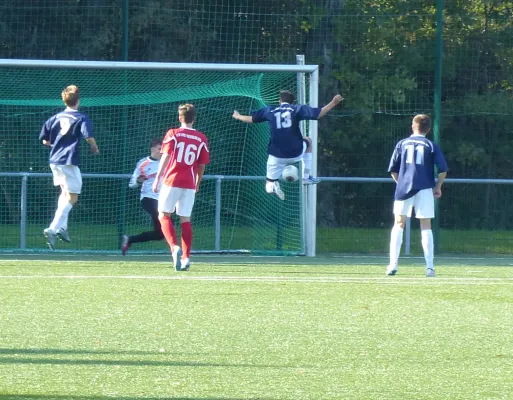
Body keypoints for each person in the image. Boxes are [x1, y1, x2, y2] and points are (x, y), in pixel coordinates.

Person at [232, 90, 343, 200]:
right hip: (296, 152)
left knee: (268, 186)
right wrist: (333, 102)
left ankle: (272, 185)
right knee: (308, 140)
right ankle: (306, 177)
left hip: (276, 155)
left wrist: (238, 116)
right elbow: (318, 114)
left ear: (280, 101)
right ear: (292, 102)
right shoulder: (296, 109)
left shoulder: (270, 110)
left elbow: (251, 119)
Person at [386, 114, 448, 277]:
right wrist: (438, 186)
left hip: (404, 188)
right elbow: (443, 169)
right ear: (428, 129)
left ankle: (393, 265)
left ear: (413, 126)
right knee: (425, 225)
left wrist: (401, 183)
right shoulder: (430, 145)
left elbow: (393, 169)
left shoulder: (402, 143)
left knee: (399, 223)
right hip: (425, 188)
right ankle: (429, 267)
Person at [39, 85, 99, 250]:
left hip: (54, 160)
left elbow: (45, 140)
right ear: (78, 101)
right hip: (69, 161)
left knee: (65, 193)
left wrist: (57, 145)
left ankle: (62, 228)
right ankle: (52, 229)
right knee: (73, 197)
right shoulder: (81, 117)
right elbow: (88, 136)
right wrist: (94, 147)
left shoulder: (55, 117)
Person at [153, 104, 210, 271]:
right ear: (195, 118)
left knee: (164, 215)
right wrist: (198, 182)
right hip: (189, 183)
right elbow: (202, 165)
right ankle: (186, 258)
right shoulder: (201, 138)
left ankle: (173, 248)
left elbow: (166, 156)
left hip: (172, 180)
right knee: (185, 219)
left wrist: (158, 177)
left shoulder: (173, 133)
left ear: (180, 118)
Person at [121, 139, 164, 255]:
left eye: (163, 149)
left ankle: (130, 239)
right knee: (161, 216)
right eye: (160, 149)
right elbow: (132, 184)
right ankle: (176, 250)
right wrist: (139, 181)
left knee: (160, 234)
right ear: (152, 149)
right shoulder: (143, 163)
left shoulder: (167, 162)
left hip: (163, 199)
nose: (162, 152)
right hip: (148, 198)